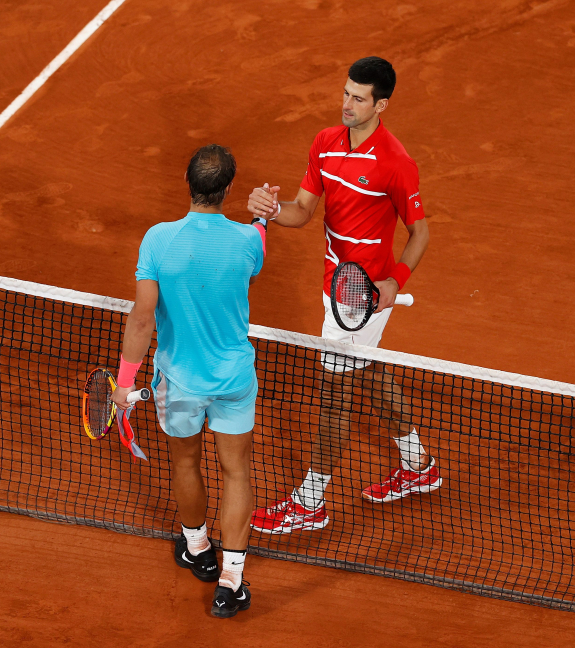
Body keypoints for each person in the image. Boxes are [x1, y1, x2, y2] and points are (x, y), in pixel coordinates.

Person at [246, 56, 440, 535]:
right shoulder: (325, 144)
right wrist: (269, 210)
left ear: (381, 105)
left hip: (363, 296)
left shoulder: (395, 162)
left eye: (358, 98)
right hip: (335, 283)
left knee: (334, 395)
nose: (346, 104)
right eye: (346, 93)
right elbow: (303, 212)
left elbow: (420, 233)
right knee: (367, 371)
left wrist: (394, 281)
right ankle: (419, 465)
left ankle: (311, 501)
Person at [112, 144, 268, 618]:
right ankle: (232, 580)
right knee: (235, 470)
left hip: (178, 381)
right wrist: (264, 217)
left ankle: (198, 549)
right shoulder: (247, 241)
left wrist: (124, 383)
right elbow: (256, 249)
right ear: (227, 190)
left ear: (189, 184)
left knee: (185, 463)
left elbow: (142, 320)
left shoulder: (158, 240)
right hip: (234, 378)